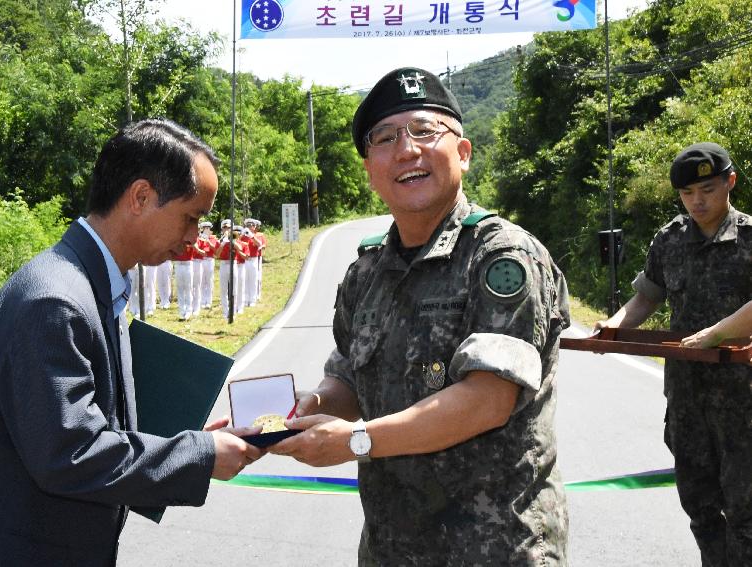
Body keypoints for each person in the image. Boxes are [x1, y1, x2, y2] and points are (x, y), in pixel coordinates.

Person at [0, 119, 264, 565]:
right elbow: (69, 453)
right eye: (190, 217)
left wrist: (185, 443)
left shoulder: (91, 285)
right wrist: (199, 456)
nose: (194, 236)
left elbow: (91, 422)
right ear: (140, 197)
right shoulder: (54, 300)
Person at [269, 67, 570, 565]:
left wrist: (356, 440)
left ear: (464, 153)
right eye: (385, 139)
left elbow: (487, 400)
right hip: (393, 546)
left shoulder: (502, 258)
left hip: (496, 547)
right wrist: (303, 410)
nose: (406, 150)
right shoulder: (365, 273)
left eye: (425, 131)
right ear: (369, 169)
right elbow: (347, 377)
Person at [595, 142, 752, 566]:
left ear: (730, 182)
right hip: (687, 399)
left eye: (707, 190)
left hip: (744, 402)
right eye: (687, 194)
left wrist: (715, 334)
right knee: (699, 505)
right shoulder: (670, 240)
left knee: (745, 511)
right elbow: (646, 298)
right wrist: (614, 325)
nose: (697, 202)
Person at [197, 221, 219, 309]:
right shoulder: (199, 238)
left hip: (209, 260)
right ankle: (202, 301)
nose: (206, 230)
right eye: (204, 228)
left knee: (209, 281)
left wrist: (208, 240)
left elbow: (214, 249)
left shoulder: (213, 238)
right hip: (201, 260)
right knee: (202, 280)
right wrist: (202, 238)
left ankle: (208, 301)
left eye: (208, 228)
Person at [172, 242, 197, 321]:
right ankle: (182, 311)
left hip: (188, 264)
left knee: (188, 288)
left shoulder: (190, 240)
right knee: (180, 289)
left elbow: (196, 248)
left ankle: (188, 311)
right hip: (178, 264)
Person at [253, 219, 267, 301]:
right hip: (250, 257)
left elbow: (264, 244)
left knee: (258, 276)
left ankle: (258, 294)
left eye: (257, 226)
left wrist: (260, 246)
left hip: (258, 256)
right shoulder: (248, 234)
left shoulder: (260, 235)